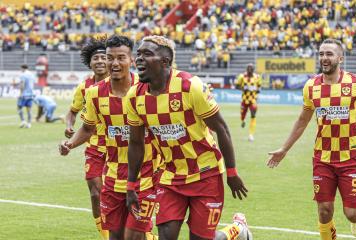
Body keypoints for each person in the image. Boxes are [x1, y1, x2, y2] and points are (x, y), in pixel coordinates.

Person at [126, 35, 248, 240]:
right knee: (165, 236)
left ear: (165, 61)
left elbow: (222, 129)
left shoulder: (189, 86)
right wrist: (131, 186)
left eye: (147, 54)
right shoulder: (135, 96)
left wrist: (232, 172)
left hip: (206, 173)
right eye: (138, 54)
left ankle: (237, 230)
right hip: (171, 175)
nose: (138, 59)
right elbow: (136, 143)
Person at [267, 39, 356, 240]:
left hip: (350, 157)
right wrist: (284, 149)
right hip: (323, 158)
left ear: (340, 58)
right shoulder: (311, 87)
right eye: (321, 54)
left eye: (329, 54)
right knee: (324, 211)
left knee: (352, 214)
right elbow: (302, 121)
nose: (324, 58)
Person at [59, 35, 157, 240]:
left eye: (121, 58)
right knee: (115, 236)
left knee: (135, 236)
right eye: (110, 57)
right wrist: (70, 143)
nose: (113, 63)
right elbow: (87, 128)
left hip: (145, 174)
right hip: (113, 175)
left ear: (132, 60)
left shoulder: (147, 88)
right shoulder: (94, 93)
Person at [63, 37, 109, 240]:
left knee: (123, 194)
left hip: (121, 147)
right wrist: (69, 126)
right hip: (94, 146)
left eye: (103, 57)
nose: (99, 61)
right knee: (95, 192)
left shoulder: (124, 83)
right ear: (89, 63)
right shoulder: (84, 88)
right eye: (95, 58)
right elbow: (72, 112)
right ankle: (105, 234)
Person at [235, 63, 262, 141]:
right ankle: (243, 121)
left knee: (253, 115)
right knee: (243, 115)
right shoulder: (242, 76)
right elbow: (236, 86)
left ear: (253, 69)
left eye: (251, 68)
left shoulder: (257, 77)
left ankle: (251, 135)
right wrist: (243, 88)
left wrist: (255, 89)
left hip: (253, 100)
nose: (250, 69)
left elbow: (259, 88)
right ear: (246, 69)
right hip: (244, 100)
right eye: (248, 68)